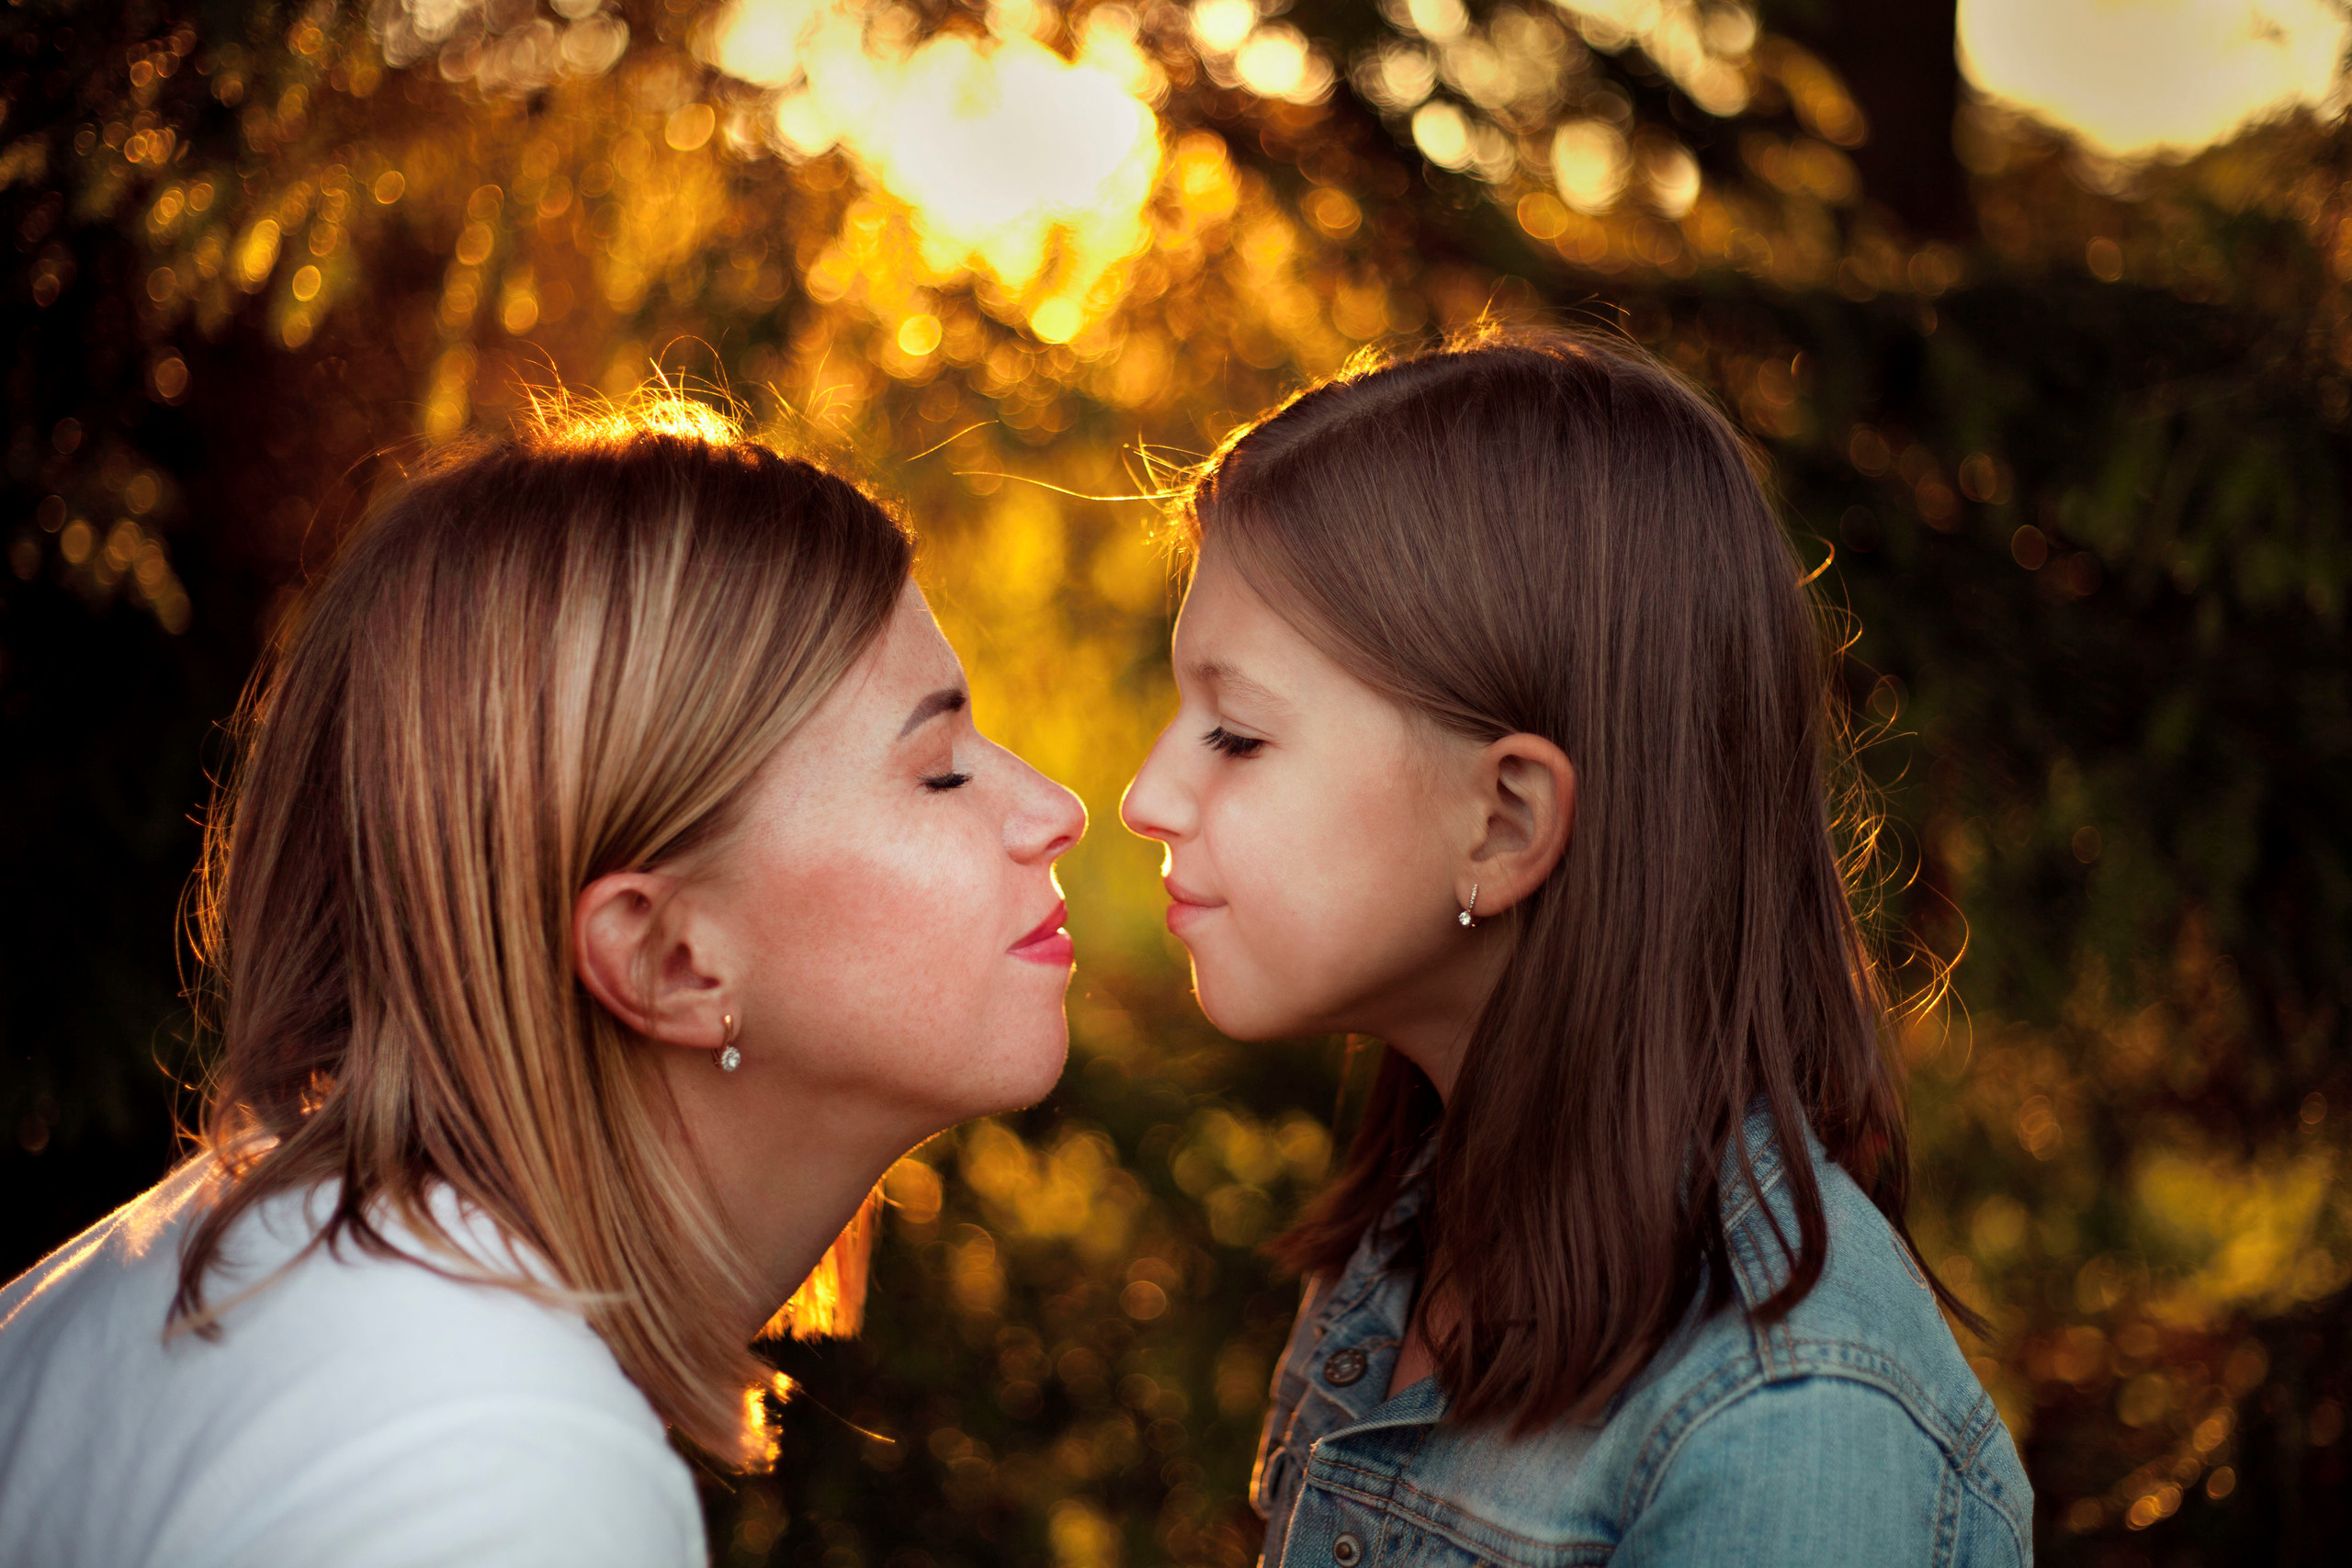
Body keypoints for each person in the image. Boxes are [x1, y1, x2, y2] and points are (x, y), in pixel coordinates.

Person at [0, 396, 1085, 1566]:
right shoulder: (494, 1470)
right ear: (662, 957)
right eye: (937, 773)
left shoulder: (214, 1277)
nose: (1057, 810)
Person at [1121, 330, 2033, 1565]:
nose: (1146, 794)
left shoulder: (1789, 1421)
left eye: (1234, 733)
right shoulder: (1420, 1239)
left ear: (1504, 822)